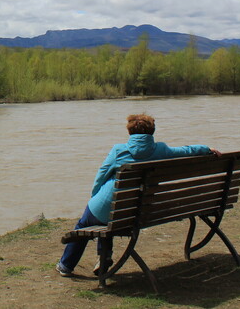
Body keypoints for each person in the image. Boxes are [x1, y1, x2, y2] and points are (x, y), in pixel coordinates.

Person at [56, 113, 220, 277]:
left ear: (129, 131)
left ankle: (66, 265)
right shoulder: (161, 150)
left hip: (111, 209)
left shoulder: (119, 150)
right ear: (152, 131)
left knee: (89, 220)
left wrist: (94, 197)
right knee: (113, 213)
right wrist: (206, 149)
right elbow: (185, 151)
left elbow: (101, 176)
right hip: (137, 211)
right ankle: (103, 257)